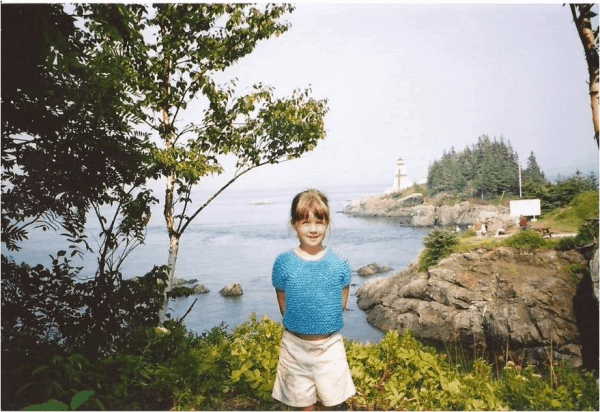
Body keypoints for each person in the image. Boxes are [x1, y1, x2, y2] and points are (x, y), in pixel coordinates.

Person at [271, 189, 356, 411]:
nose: (313, 229)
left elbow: (340, 305)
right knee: (303, 407)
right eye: (305, 222)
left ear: (327, 223)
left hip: (329, 348)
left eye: (319, 222)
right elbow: (284, 307)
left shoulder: (340, 263)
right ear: (294, 224)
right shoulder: (283, 263)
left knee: (333, 404)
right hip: (294, 347)